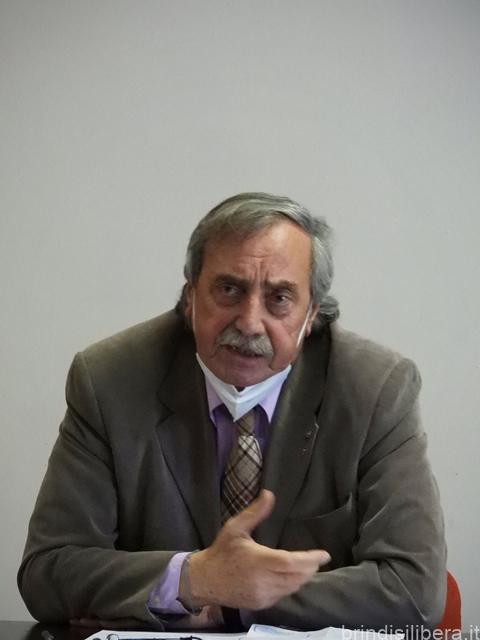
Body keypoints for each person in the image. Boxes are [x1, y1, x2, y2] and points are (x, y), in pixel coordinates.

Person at [18, 192, 446, 632]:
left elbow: (413, 590)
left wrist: (232, 601)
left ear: (311, 315)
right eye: (229, 290)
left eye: (279, 298)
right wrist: (191, 577)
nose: (249, 322)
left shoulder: (375, 390)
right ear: (190, 298)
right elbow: (48, 572)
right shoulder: (110, 380)